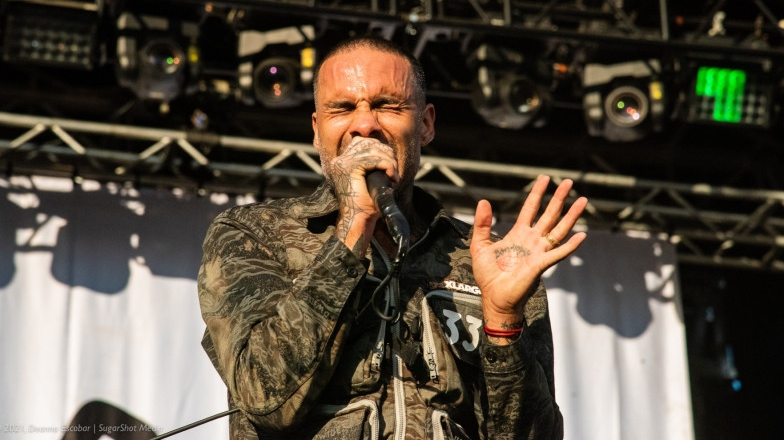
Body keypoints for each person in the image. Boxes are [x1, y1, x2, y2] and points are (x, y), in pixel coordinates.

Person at [198, 34, 588, 439]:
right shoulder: (253, 234)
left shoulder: (486, 260)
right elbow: (265, 399)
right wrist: (352, 229)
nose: (365, 124)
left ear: (425, 124)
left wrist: (504, 324)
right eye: (343, 108)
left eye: (387, 105)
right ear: (317, 131)